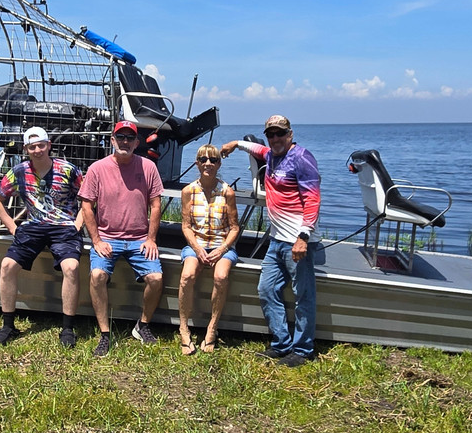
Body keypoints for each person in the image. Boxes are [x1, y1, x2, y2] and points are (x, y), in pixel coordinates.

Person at [220, 115, 321, 367]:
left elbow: (312, 199)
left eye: (280, 133)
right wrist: (235, 144)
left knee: (303, 296)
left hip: (297, 241)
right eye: (271, 134)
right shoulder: (272, 155)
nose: (275, 138)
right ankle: (281, 343)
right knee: (266, 289)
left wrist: (303, 237)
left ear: (290, 134)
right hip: (276, 241)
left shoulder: (302, 158)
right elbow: (258, 149)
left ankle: (303, 349)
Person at [0, 127, 84, 348]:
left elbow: (89, 197)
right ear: (26, 149)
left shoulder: (68, 170)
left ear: (49, 145)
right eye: (32, 147)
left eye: (41, 145)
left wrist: (77, 225)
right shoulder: (18, 172)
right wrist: (13, 228)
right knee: (7, 266)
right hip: (33, 226)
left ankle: (67, 328)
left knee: (71, 268)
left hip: (64, 226)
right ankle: (8, 325)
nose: (38, 150)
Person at [79, 120, 165, 357]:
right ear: (112, 140)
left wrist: (151, 239)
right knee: (97, 276)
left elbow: (156, 206)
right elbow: (86, 207)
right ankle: (105, 334)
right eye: (120, 137)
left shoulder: (148, 167)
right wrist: (97, 241)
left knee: (156, 278)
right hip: (107, 237)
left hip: (139, 239)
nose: (125, 142)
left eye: (130, 138)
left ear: (137, 143)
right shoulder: (97, 169)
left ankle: (142, 325)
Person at [177, 144, 240, 355]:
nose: (208, 164)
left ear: (219, 164)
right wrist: (197, 248)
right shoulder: (188, 191)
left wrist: (222, 249)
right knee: (187, 276)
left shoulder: (227, 192)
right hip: (197, 244)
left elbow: (235, 228)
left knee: (221, 277)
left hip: (222, 245)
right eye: (203, 159)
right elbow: (186, 226)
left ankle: (212, 328)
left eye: (213, 160)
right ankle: (184, 328)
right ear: (197, 163)